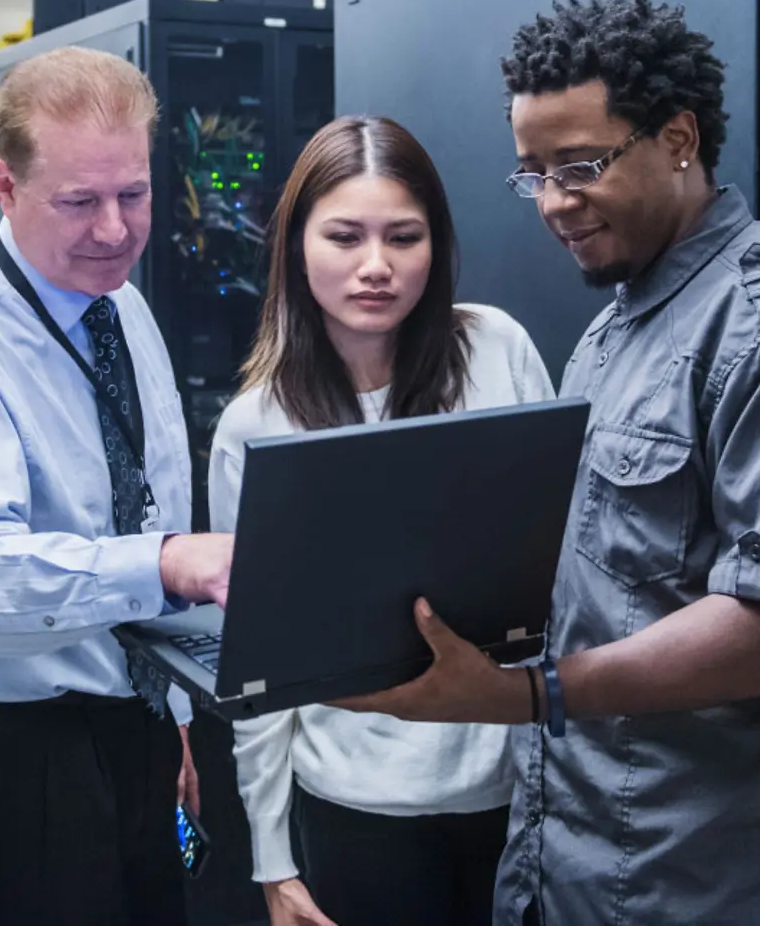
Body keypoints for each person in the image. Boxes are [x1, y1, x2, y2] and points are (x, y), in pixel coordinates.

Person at [334, 0, 760, 926]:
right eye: (533, 174)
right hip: (584, 866)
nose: (553, 203)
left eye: (580, 166)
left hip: (735, 882)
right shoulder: (615, 335)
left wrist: (525, 693)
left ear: (680, 138)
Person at [0, 44, 234, 926]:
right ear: (4, 186)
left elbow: (141, 497)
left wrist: (170, 715)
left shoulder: (121, 306)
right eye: (79, 202)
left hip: (132, 727)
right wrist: (163, 565)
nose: (114, 230)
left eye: (134, 194)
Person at [211, 115, 556, 926]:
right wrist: (271, 859)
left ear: (436, 245)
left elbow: (559, 565)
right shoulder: (257, 424)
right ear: (297, 245)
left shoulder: (496, 349)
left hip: (515, 796)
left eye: (404, 237)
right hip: (352, 810)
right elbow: (259, 670)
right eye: (345, 237)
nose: (376, 266)